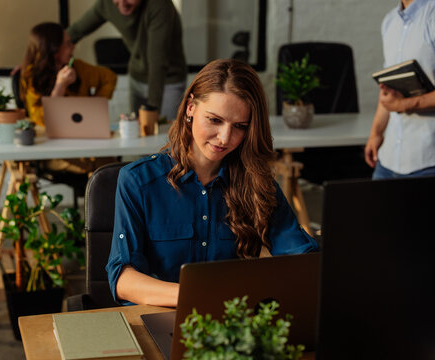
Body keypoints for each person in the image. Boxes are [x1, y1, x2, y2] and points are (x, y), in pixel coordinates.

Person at [106, 59, 319, 307]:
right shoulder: (137, 181)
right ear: (190, 108)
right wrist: (202, 295)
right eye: (215, 120)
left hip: (231, 325)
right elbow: (123, 278)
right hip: (161, 321)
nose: (225, 138)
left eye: (240, 126)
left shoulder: (257, 183)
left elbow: (302, 260)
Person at [20, 22, 117, 173]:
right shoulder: (32, 77)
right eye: (67, 44)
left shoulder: (78, 68)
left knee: (111, 166)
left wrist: (94, 105)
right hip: (53, 150)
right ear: (52, 49)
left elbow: (109, 78)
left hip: (85, 141)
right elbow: (42, 120)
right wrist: (60, 86)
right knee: (99, 169)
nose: (73, 47)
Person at [67, 0, 187, 121]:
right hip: (138, 77)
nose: (122, 3)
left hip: (168, 81)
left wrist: (153, 107)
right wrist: (54, 50)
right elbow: (76, 31)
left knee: (168, 134)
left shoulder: (160, 5)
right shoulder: (106, 4)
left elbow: (158, 61)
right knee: (138, 134)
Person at [365, 0, 435, 179]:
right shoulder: (389, 21)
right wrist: (375, 133)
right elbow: (388, 90)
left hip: (429, 160)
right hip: (388, 159)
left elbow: (397, 102)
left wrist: (405, 104)